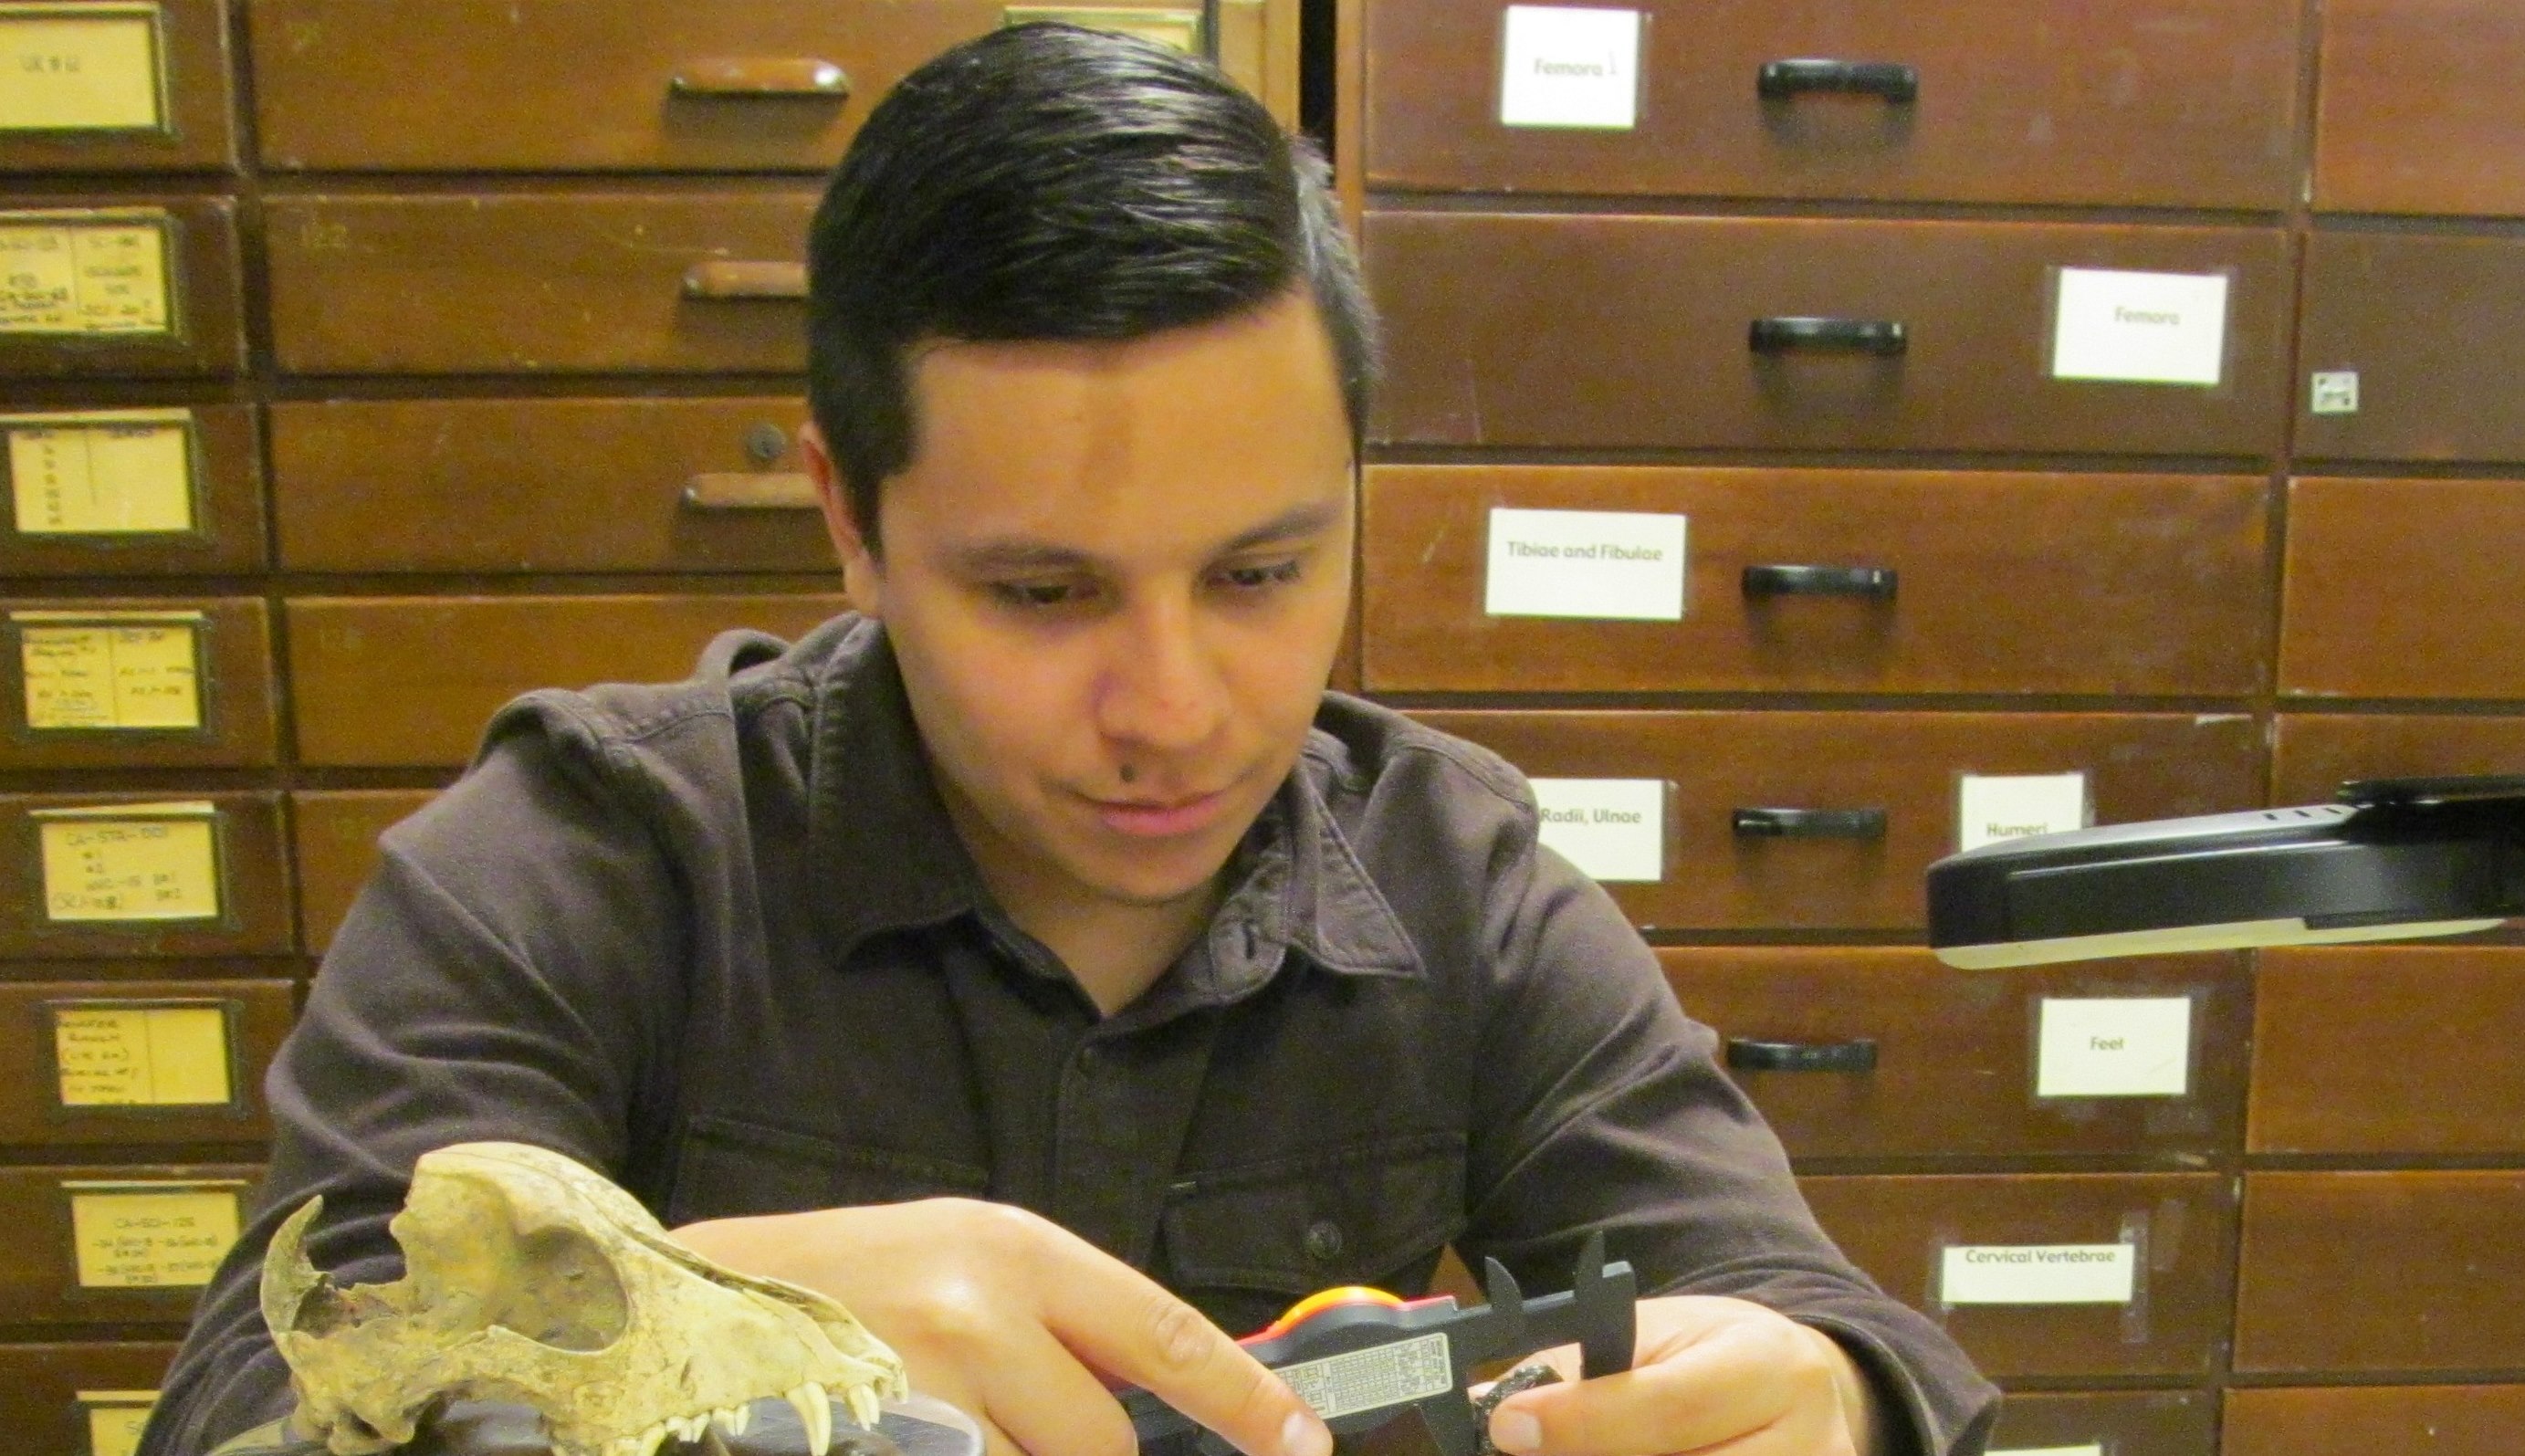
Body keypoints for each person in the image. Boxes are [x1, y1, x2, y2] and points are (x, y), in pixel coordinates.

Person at [142, 24, 1997, 1456]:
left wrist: (1821, 1396)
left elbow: (1828, 1325)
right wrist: (668, 1318)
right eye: (1041, 594)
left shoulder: (1457, 882)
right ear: (850, 519)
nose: (1176, 710)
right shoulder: (573, 863)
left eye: (1261, 572)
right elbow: (249, 1401)